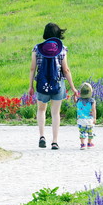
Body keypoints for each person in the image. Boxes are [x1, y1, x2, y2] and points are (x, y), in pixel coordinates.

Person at [28, 22, 78, 150]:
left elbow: (33, 68)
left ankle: (42, 136)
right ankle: (55, 142)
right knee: (55, 113)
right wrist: (73, 87)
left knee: (41, 110)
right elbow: (66, 70)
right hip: (58, 83)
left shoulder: (36, 48)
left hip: (42, 83)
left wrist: (30, 86)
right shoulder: (62, 49)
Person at [76, 82, 96, 150]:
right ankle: (89, 143)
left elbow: (75, 101)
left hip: (80, 119)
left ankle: (82, 144)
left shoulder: (78, 100)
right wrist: (95, 118)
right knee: (90, 132)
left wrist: (75, 96)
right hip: (89, 120)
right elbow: (93, 110)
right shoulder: (92, 101)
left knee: (82, 132)